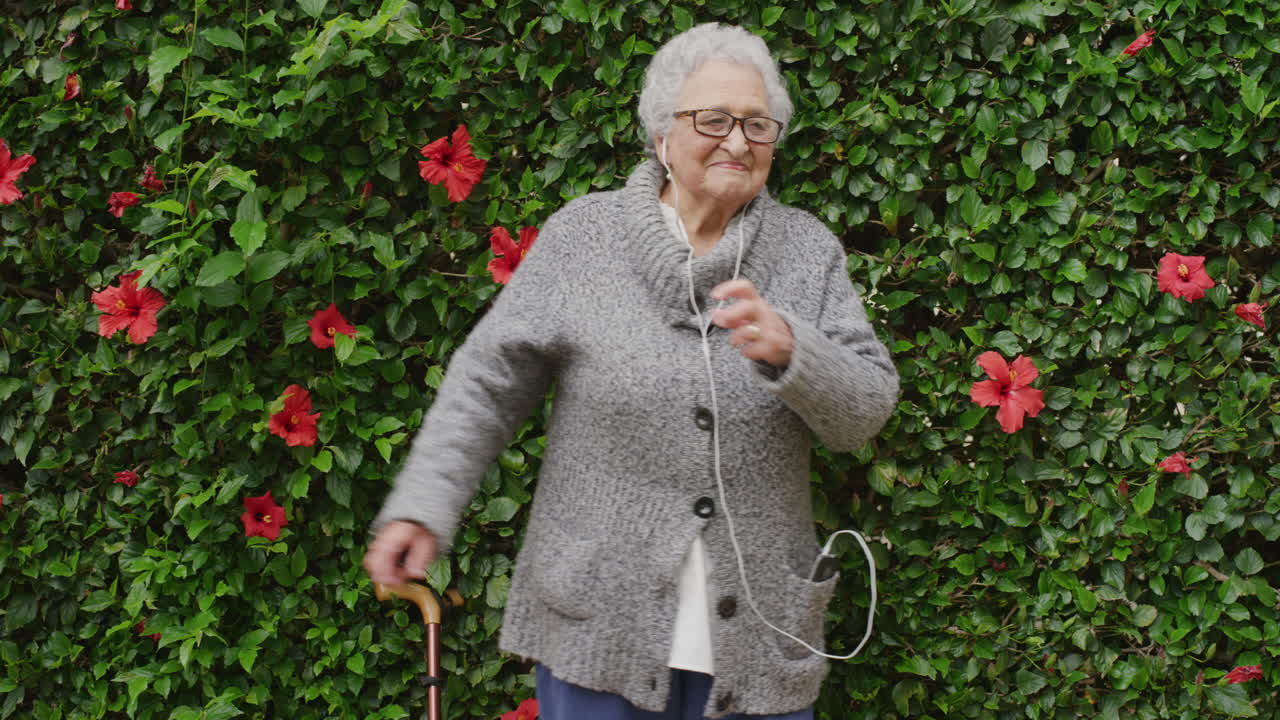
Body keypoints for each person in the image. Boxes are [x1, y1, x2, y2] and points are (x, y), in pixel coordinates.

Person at [363, 22, 899, 720]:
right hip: (597, 633)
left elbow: (865, 411)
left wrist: (796, 351)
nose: (738, 141)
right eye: (713, 119)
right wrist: (423, 505)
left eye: (758, 125)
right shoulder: (584, 240)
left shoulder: (806, 253)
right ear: (660, 136)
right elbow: (487, 382)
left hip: (759, 648)